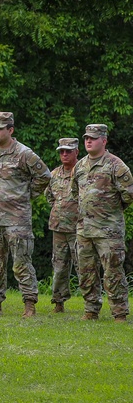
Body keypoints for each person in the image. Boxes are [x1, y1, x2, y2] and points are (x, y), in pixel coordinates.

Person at [0, 111, 51, 317]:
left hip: (17, 220)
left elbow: (44, 176)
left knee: (21, 263)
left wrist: (26, 195)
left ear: (10, 130)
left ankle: (29, 304)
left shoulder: (24, 153)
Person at [72, 124, 133, 322]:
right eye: (86, 138)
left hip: (108, 231)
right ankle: (91, 310)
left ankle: (119, 313)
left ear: (104, 141)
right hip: (84, 229)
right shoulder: (80, 166)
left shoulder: (116, 165)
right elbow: (76, 193)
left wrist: (109, 211)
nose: (88, 141)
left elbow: (128, 194)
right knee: (86, 272)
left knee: (113, 272)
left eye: (93, 138)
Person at [45, 138, 79, 313]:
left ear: (76, 152)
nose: (64, 154)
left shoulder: (83, 171)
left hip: (79, 228)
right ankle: (58, 302)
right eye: (61, 151)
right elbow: (50, 197)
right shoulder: (54, 174)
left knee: (84, 266)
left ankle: (91, 303)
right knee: (59, 266)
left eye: (68, 151)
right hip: (58, 228)